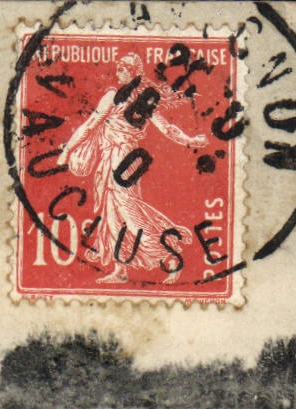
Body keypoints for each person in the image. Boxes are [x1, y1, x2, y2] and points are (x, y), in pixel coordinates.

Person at [60, 53, 209, 285]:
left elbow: (166, 129)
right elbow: (91, 126)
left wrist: (192, 140)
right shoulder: (121, 97)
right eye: (118, 66)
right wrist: (67, 150)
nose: (118, 70)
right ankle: (120, 271)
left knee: (129, 213)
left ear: (134, 72)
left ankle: (170, 256)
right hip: (115, 159)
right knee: (112, 214)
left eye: (124, 67)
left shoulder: (127, 99)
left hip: (123, 160)